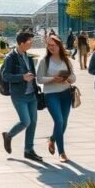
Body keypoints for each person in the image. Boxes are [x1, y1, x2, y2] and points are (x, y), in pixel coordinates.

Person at [0, 31, 44, 162]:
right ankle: (8, 135)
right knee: (25, 121)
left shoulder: (28, 57)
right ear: (21, 43)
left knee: (33, 123)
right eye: (29, 42)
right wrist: (22, 77)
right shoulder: (10, 58)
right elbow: (5, 76)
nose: (31, 44)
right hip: (19, 95)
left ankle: (28, 150)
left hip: (31, 95)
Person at [36, 34, 76, 162]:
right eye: (48, 45)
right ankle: (62, 153)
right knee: (58, 121)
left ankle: (52, 139)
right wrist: (53, 79)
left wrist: (69, 79)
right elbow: (39, 79)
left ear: (59, 45)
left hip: (66, 94)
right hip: (51, 94)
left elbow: (74, 77)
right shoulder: (44, 61)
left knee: (63, 123)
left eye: (53, 45)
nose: (50, 47)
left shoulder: (66, 60)